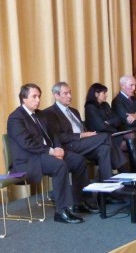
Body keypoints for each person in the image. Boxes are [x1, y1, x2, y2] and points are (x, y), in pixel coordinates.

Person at [7, 83, 98, 224]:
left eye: (39, 96)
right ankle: (62, 211)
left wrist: (58, 148)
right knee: (59, 165)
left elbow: (54, 135)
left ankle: (80, 202)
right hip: (28, 160)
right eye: (34, 96)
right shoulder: (16, 118)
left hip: (46, 154)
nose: (38, 100)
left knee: (78, 160)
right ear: (23, 99)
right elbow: (26, 144)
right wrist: (51, 151)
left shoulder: (40, 114)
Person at [42, 82, 127, 185]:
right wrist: (82, 135)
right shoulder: (49, 113)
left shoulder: (74, 111)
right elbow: (58, 137)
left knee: (104, 149)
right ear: (56, 95)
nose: (69, 96)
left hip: (84, 143)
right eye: (65, 93)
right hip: (69, 145)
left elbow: (82, 128)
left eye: (70, 93)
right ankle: (125, 171)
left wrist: (87, 134)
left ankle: (107, 188)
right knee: (106, 136)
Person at [84, 83, 136, 171]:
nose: (106, 95)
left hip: (112, 133)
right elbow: (101, 126)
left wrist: (108, 122)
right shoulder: (90, 107)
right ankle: (132, 171)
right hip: (101, 137)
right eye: (104, 93)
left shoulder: (105, 105)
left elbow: (118, 119)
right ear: (96, 94)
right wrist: (111, 125)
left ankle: (134, 171)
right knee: (127, 145)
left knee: (131, 135)